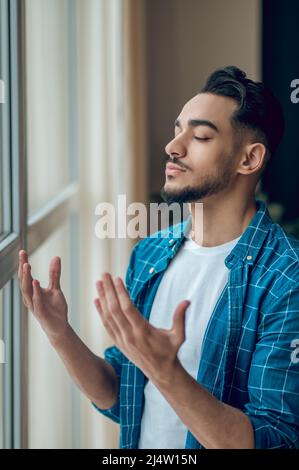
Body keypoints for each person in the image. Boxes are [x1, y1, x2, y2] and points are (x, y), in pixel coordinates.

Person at [18, 66, 299, 449]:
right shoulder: (150, 254)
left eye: (199, 135)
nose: (174, 147)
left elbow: (276, 439)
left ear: (248, 160)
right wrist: (59, 332)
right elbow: (121, 396)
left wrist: (167, 372)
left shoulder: (287, 279)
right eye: (177, 130)